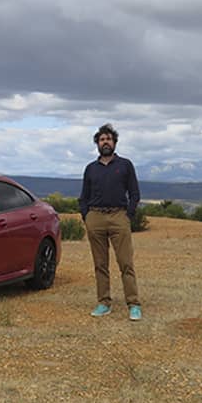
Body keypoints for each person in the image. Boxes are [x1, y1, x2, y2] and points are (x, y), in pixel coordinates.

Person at [78, 123, 142, 320]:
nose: (105, 142)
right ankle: (104, 302)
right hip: (95, 217)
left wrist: (127, 215)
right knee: (100, 264)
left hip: (118, 216)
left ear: (115, 143)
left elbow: (134, 193)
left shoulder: (125, 165)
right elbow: (84, 196)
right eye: (102, 139)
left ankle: (133, 304)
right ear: (97, 143)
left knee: (125, 262)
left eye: (109, 139)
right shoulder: (90, 168)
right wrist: (87, 217)